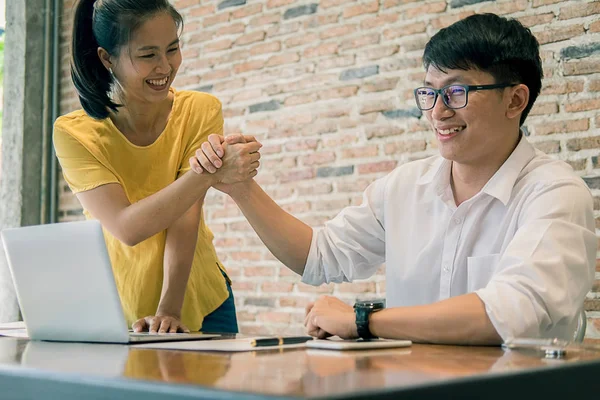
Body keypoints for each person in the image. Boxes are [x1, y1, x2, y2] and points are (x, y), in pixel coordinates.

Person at [190, 13, 597, 344]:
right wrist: (242, 189)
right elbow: (319, 256)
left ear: (515, 99)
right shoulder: (405, 186)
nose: (438, 112)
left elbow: (510, 313)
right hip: (411, 384)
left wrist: (364, 320)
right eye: (429, 93)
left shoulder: (555, 193)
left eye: (457, 92)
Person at [53, 0, 261, 334]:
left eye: (173, 49)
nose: (165, 67)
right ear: (108, 59)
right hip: (119, 306)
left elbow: (184, 214)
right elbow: (126, 227)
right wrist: (210, 170)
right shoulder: (75, 133)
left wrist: (170, 308)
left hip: (201, 298)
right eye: (148, 55)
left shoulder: (200, 110)